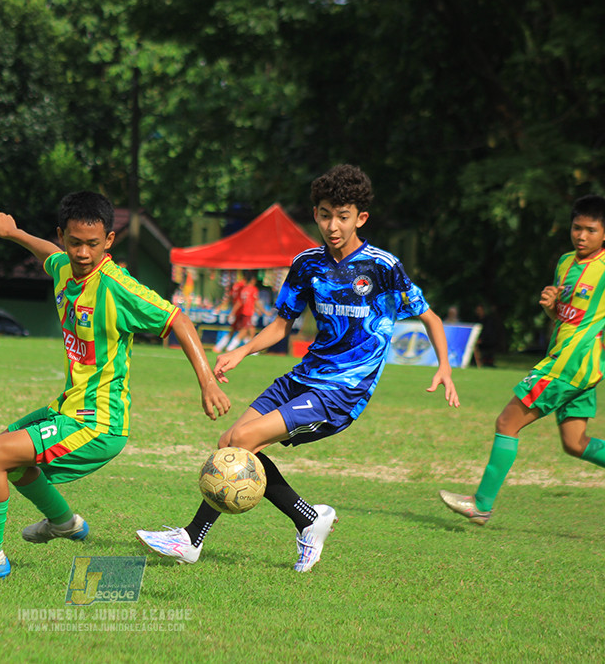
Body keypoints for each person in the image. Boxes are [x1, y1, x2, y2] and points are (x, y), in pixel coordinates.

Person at [136, 164, 460, 572]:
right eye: (325, 214)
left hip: (344, 389)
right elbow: (279, 325)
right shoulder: (307, 263)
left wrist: (445, 367)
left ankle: (191, 538)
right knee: (229, 442)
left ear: (361, 218)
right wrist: (242, 351)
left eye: (342, 216)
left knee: (247, 437)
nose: (332, 225)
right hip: (306, 374)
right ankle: (309, 519)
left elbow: (429, 316)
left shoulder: (382, 266)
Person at [0, 191, 232, 580]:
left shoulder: (117, 287)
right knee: (8, 457)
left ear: (109, 241)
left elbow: (177, 319)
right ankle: (63, 523)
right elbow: (48, 253)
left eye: (92, 245)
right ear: (64, 236)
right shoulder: (64, 265)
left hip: (97, 424)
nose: (82, 253)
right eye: (75, 243)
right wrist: (14, 233)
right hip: (67, 408)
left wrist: (207, 382)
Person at [440, 195, 605, 525]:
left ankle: (481, 504)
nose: (581, 236)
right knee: (574, 443)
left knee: (507, 422)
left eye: (591, 230)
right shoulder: (565, 263)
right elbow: (566, 317)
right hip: (572, 362)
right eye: (577, 228)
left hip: (570, 364)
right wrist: (551, 307)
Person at [222, 270, 267, 353]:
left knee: (250, 330)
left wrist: (232, 312)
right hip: (248, 312)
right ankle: (231, 347)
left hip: (243, 312)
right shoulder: (253, 289)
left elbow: (242, 302)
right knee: (245, 330)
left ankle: (252, 350)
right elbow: (255, 301)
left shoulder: (243, 289)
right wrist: (264, 311)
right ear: (253, 280)